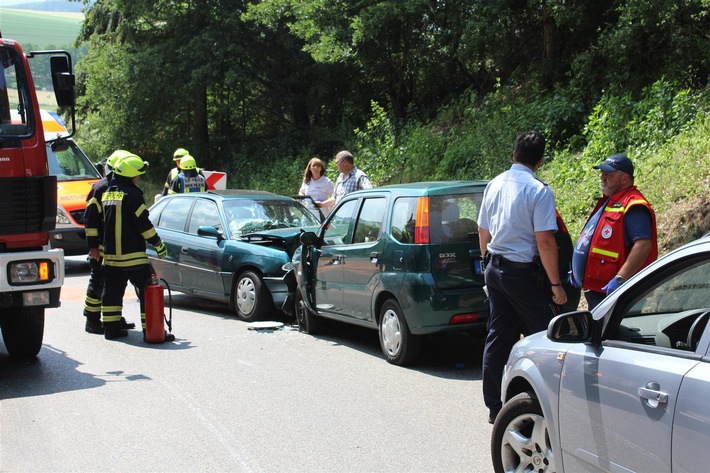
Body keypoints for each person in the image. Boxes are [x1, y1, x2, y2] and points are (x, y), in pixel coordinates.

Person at [477, 130, 567, 425]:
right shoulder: (539, 191)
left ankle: (495, 407)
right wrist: (556, 285)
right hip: (521, 274)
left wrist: (485, 264)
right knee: (546, 336)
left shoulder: (495, 183)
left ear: (514, 154)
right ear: (540, 160)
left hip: (495, 269)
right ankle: (549, 404)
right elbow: (544, 241)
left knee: (498, 337)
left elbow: (483, 231)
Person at [100, 152, 173, 341]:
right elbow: (143, 224)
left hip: (111, 257)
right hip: (133, 256)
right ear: (132, 175)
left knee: (112, 292)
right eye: (138, 174)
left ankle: (111, 329)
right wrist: (158, 243)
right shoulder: (133, 195)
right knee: (147, 290)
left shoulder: (108, 193)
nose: (139, 177)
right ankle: (152, 331)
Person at [570, 154, 657, 310]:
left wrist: (620, 280)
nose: (602, 178)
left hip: (617, 292)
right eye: (602, 173)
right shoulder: (612, 200)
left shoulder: (633, 205)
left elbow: (643, 245)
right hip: (598, 289)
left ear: (624, 179)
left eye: (608, 174)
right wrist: (578, 272)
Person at [83, 150, 135, 334]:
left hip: (115, 247)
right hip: (102, 246)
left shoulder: (118, 186)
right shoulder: (101, 188)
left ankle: (113, 318)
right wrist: (93, 247)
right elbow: (90, 220)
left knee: (115, 284)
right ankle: (92, 320)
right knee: (99, 282)